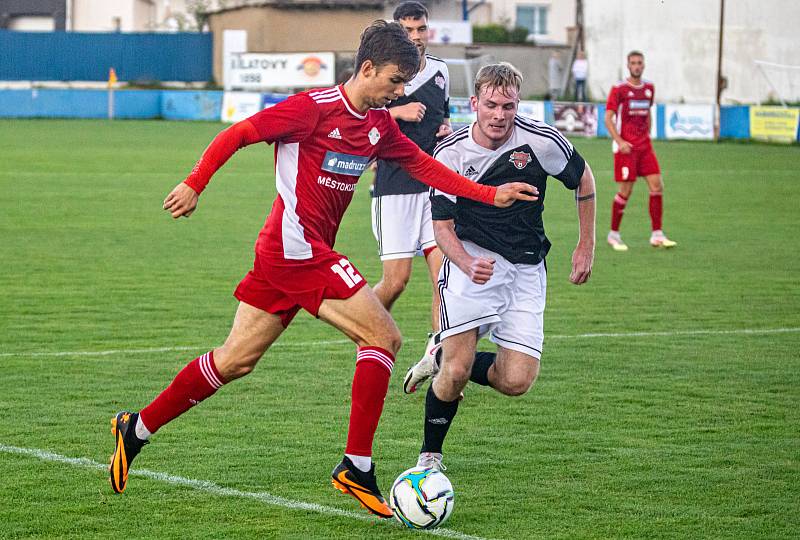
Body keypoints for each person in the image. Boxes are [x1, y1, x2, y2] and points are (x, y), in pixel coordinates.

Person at [107, 20, 537, 519]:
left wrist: (488, 193)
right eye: (395, 81)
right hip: (297, 251)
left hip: (286, 254)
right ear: (368, 68)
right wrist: (195, 182)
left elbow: (424, 166)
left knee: (235, 360)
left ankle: (135, 428)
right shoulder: (311, 110)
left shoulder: (377, 126)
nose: (399, 92)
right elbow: (241, 132)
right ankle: (356, 467)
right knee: (384, 337)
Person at [405, 62, 595, 472]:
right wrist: (466, 261)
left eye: (507, 106)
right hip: (472, 256)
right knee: (456, 371)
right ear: (474, 103)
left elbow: (584, 181)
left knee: (516, 380)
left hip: (526, 265)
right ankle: (429, 460)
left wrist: (586, 245)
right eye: (490, 105)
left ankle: (440, 355)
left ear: (517, 104)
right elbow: (441, 227)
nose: (498, 115)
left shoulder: (542, 142)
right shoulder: (450, 152)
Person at [371, 2, 451, 389]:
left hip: (433, 188)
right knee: (396, 281)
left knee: (444, 278)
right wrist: (398, 114)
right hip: (394, 188)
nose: (416, 36)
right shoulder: (382, 74)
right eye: (409, 30)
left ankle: (437, 356)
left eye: (421, 29)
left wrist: (446, 128)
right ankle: (366, 333)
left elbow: (444, 113)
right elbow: (361, 114)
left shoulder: (441, 71)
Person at [605, 50, 676, 251]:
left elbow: (648, 115)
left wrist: (648, 135)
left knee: (657, 185)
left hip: (645, 146)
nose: (636, 66)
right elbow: (608, 118)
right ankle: (613, 235)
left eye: (639, 63)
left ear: (643, 65)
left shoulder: (649, 88)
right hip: (626, 148)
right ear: (628, 66)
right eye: (633, 63)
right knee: (625, 191)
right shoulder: (618, 89)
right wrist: (620, 142)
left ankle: (657, 234)